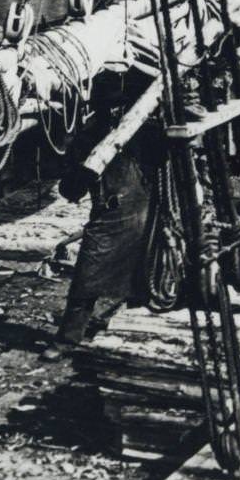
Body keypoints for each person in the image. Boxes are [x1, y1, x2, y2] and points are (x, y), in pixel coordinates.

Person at [56, 113, 163, 347]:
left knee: (96, 278)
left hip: (135, 214)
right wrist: (80, 172)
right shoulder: (97, 136)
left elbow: (71, 190)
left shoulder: (145, 133)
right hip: (121, 216)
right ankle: (70, 338)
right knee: (93, 278)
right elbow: (72, 188)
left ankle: (126, 331)